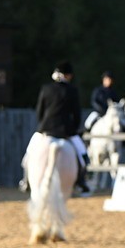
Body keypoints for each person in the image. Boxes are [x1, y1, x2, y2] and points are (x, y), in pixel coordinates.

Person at [31, 61, 91, 195]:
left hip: (45, 130)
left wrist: (43, 126)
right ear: (68, 75)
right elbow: (77, 114)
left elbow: (39, 111)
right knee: (83, 156)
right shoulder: (72, 90)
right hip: (66, 132)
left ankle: (25, 180)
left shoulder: (46, 88)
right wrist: (74, 130)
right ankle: (81, 181)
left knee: (29, 154)